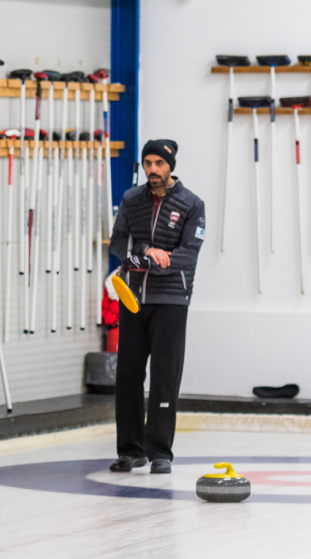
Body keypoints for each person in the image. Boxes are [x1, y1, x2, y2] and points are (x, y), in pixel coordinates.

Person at [107, 140, 205, 474]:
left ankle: (160, 451)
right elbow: (119, 241)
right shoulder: (131, 199)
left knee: (165, 377)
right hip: (133, 300)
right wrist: (143, 254)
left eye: (158, 163)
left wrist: (154, 262)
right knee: (129, 376)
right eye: (147, 163)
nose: (152, 169)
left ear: (170, 166)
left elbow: (189, 253)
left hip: (172, 300)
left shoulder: (192, 204)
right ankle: (130, 451)